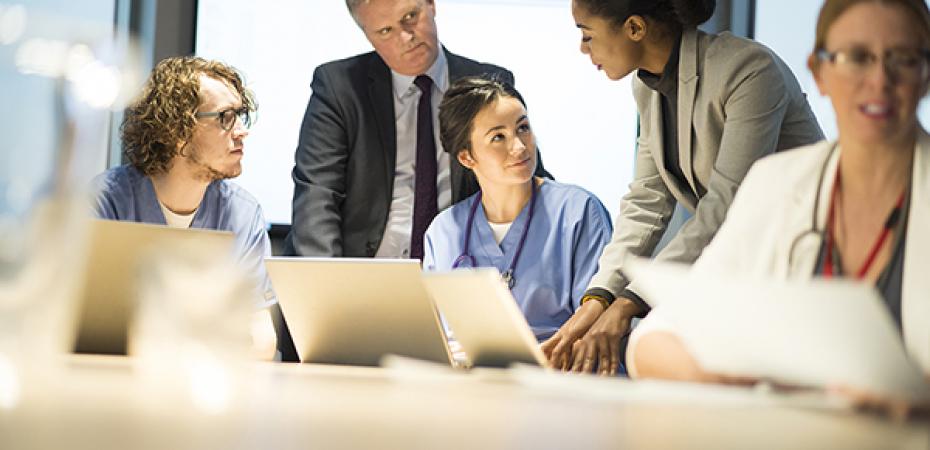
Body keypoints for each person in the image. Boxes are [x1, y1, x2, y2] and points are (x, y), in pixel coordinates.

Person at [628, 0, 930, 415]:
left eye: (904, 59)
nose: (879, 80)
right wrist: (719, 374)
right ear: (820, 72)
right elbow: (657, 337)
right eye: (857, 57)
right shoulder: (776, 184)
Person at [543, 0, 825, 375]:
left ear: (634, 28)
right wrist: (596, 300)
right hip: (740, 263)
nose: (582, 48)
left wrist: (628, 304)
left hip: (803, 263)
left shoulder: (748, 70)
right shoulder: (645, 88)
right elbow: (646, 201)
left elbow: (725, 206)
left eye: (586, 34)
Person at [284, 0, 550, 260]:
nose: (405, 37)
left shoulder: (487, 83)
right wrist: (326, 286)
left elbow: (525, 173)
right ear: (367, 35)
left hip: (460, 270)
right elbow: (317, 193)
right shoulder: (339, 87)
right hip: (367, 270)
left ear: (431, 5)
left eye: (410, 16)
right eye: (385, 31)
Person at [92, 56, 293, 360]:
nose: (242, 131)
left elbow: (261, 338)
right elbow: (83, 328)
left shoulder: (244, 213)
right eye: (226, 117)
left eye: (241, 116)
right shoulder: (105, 202)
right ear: (176, 130)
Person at [423, 76, 612, 341]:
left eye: (523, 128)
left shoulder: (578, 213)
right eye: (498, 137)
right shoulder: (443, 231)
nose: (520, 146)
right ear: (466, 157)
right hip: (470, 377)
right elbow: (436, 334)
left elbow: (597, 331)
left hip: (558, 372)